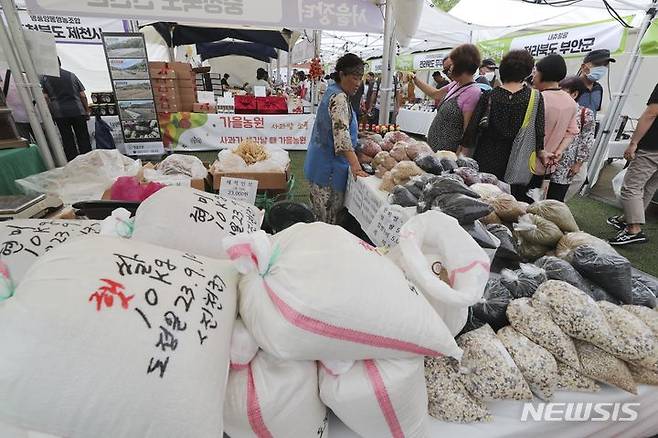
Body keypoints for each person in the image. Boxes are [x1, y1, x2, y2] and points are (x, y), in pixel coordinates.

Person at [468, 50, 546, 200]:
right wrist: (541, 152)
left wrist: (464, 152)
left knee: (480, 196)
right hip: (517, 160)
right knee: (507, 203)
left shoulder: (489, 95)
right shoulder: (535, 97)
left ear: (503, 70)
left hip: (485, 155)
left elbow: (473, 128)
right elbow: (539, 131)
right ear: (528, 72)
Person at [304, 53, 368, 224]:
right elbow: (341, 135)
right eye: (355, 77)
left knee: (320, 217)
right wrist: (355, 165)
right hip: (328, 170)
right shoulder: (339, 97)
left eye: (360, 78)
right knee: (327, 223)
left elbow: (338, 125)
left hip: (318, 163)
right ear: (342, 75)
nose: (358, 83)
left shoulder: (333, 91)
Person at [607, 83, 658, 245]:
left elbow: (651, 113)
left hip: (652, 146)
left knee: (632, 187)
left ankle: (633, 229)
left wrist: (634, 142)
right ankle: (628, 219)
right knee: (648, 186)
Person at [413, 44, 482, 152]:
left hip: (448, 154)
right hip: (435, 148)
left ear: (461, 66)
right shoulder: (455, 84)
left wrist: (460, 158)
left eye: (450, 67)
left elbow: (467, 131)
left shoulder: (472, 92)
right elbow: (435, 94)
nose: (448, 72)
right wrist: (415, 79)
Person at [530, 54, 580, 201]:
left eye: (535, 72)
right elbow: (572, 132)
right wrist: (558, 151)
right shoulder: (571, 103)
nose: (533, 76)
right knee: (534, 201)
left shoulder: (537, 98)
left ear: (542, 74)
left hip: (526, 163)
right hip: (549, 165)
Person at [548, 76, 597, 202]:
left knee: (556, 196)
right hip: (548, 158)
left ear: (574, 94)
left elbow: (586, 141)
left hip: (566, 163)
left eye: (563, 91)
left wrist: (578, 164)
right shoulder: (556, 108)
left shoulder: (585, 113)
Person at [40, 58, 91, 162]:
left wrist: (50, 112)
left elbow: (45, 98)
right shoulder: (71, 75)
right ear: (60, 63)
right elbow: (82, 95)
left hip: (60, 113)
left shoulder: (45, 79)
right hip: (78, 111)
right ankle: (88, 160)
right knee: (83, 138)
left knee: (67, 139)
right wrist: (86, 110)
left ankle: (72, 162)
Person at [578, 49, 615, 116]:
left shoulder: (598, 88)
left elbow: (595, 110)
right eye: (597, 64)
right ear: (583, 67)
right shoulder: (570, 86)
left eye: (605, 64)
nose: (602, 68)